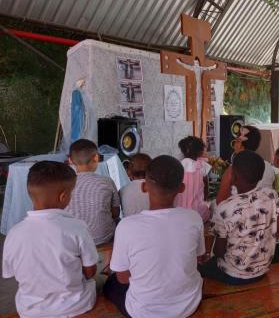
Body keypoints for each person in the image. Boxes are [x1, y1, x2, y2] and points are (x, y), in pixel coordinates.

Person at [104, 156, 205, 318]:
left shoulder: (126, 226)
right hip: (189, 305)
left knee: (110, 284)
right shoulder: (194, 218)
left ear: (144, 187)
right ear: (181, 188)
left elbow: (123, 278)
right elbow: (200, 258)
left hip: (143, 312)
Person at [2, 161, 98, 317]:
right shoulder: (77, 227)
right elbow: (90, 271)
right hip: (75, 305)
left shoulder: (13, 233)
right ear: (64, 196)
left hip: (30, 310)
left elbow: (11, 273)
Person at [202, 150, 279, 285]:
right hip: (262, 271)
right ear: (261, 175)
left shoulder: (224, 208)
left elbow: (219, 251)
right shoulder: (271, 195)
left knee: (200, 269)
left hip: (233, 275)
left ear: (232, 176)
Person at [66, 139, 120, 245]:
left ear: (70, 160)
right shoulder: (107, 181)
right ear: (96, 158)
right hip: (104, 238)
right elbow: (116, 213)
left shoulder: (66, 184)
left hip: (74, 240)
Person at [216, 125, 276, 204]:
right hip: (264, 211)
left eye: (236, 140)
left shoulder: (232, 170)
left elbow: (220, 202)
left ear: (239, 143)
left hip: (238, 213)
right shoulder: (269, 167)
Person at [175, 136, 211, 222]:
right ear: (200, 152)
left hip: (179, 212)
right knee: (210, 207)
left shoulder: (177, 166)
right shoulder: (202, 166)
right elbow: (206, 190)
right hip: (197, 213)